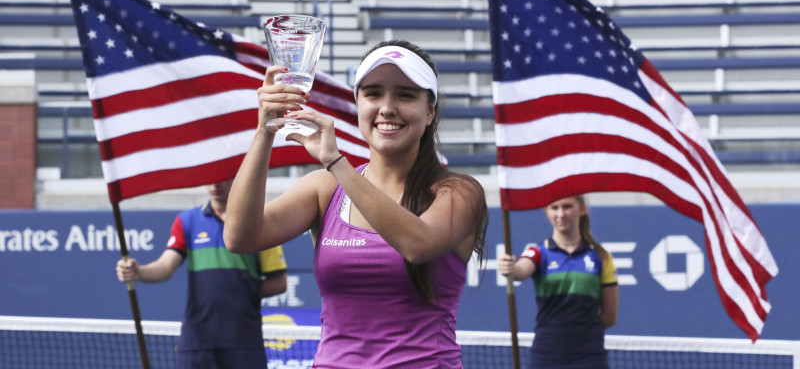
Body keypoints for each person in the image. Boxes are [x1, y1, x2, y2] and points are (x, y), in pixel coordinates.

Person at [224, 39, 489, 368]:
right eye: (373, 93)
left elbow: (417, 245)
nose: (387, 107)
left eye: (405, 94)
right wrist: (265, 130)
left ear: (430, 110)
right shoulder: (325, 188)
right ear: (357, 103)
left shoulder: (460, 192)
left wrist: (336, 161)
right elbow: (239, 237)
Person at [115, 179, 287, 369]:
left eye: (222, 179)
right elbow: (165, 266)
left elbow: (279, 283)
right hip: (197, 342)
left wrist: (240, 287)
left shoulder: (257, 223)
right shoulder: (187, 221)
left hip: (244, 340)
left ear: (237, 177)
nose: (215, 185)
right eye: (211, 179)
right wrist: (139, 272)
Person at [498, 195, 618, 369]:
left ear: (582, 209)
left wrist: (581, 331)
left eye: (567, 206)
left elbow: (609, 317)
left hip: (590, 355)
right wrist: (510, 268)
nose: (561, 214)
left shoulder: (601, 257)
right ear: (546, 212)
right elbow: (521, 270)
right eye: (554, 208)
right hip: (546, 353)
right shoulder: (538, 252)